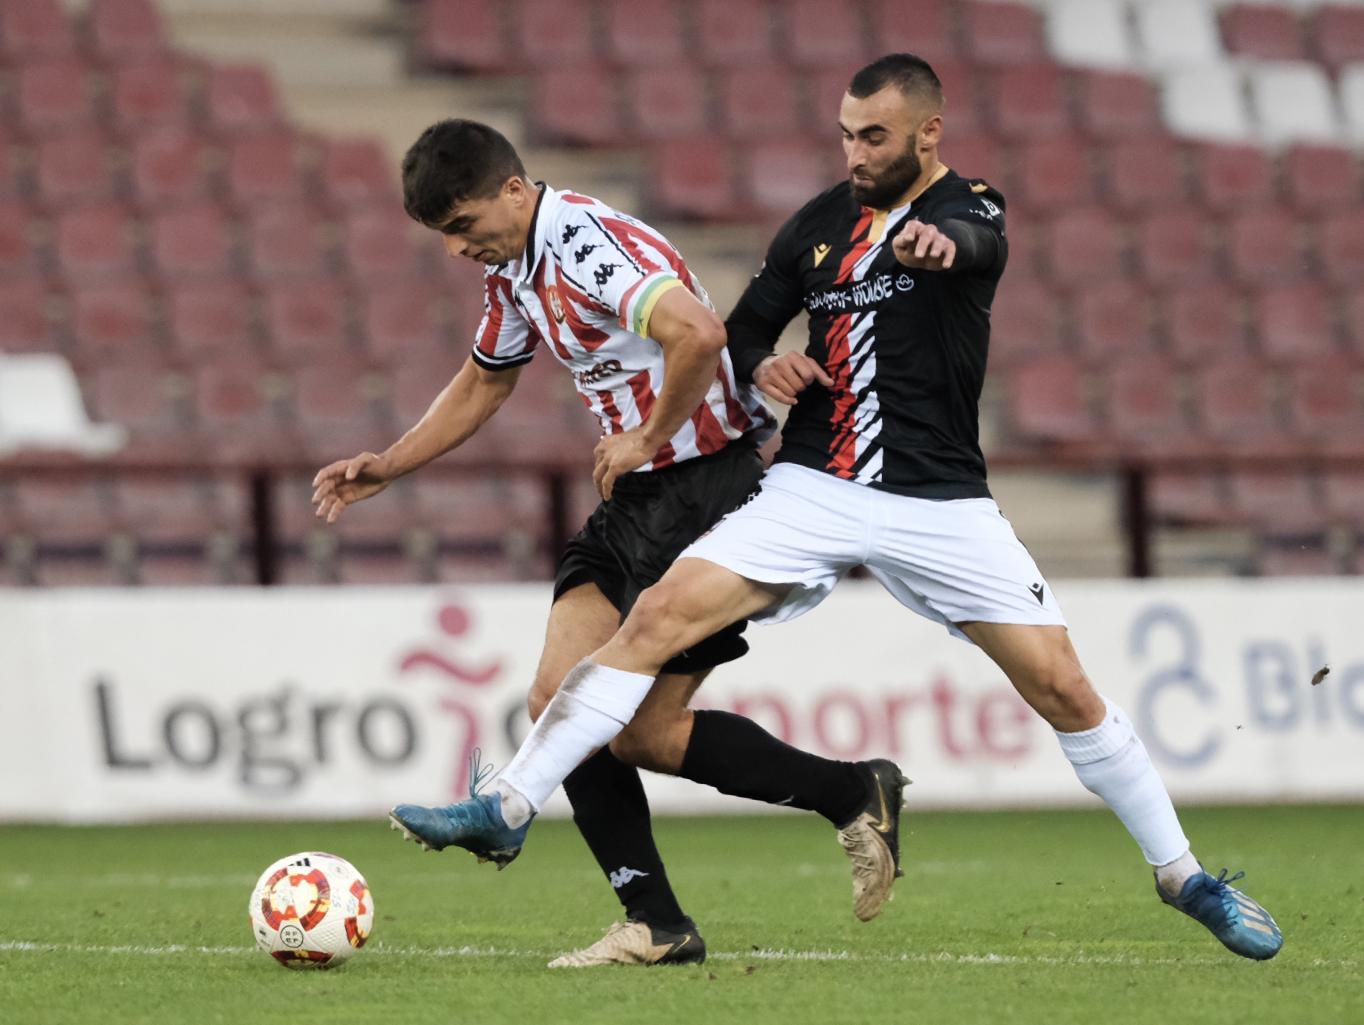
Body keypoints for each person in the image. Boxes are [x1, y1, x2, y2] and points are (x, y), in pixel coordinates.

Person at [399, 56, 1284, 963]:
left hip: (941, 499)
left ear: (928, 134)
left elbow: (982, 245)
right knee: (658, 614)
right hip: (814, 483)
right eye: (846, 135)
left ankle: (1185, 877)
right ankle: (507, 805)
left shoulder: (967, 208)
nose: (856, 154)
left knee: (1063, 686)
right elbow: (736, 327)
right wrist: (765, 363)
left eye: (875, 137)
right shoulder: (818, 227)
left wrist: (944, 250)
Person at [313, 119, 909, 969]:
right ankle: (659, 921)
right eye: (443, 233)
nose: (455, 248)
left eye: (462, 224)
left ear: (513, 192)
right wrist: (390, 465)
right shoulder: (514, 269)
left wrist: (646, 435)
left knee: (637, 729)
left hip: (703, 488)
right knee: (562, 706)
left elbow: (698, 334)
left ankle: (847, 791)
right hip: (633, 500)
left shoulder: (586, 243)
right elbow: (487, 376)